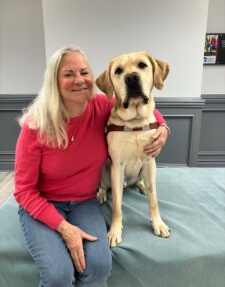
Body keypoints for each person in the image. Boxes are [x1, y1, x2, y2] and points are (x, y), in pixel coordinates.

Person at [14, 45, 169, 287]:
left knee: (98, 268)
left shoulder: (101, 106)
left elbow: (141, 104)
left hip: (85, 202)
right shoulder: (35, 125)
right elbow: (23, 191)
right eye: (68, 74)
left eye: (84, 72)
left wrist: (163, 127)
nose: (79, 80)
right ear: (54, 80)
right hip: (44, 203)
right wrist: (64, 228)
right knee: (58, 276)